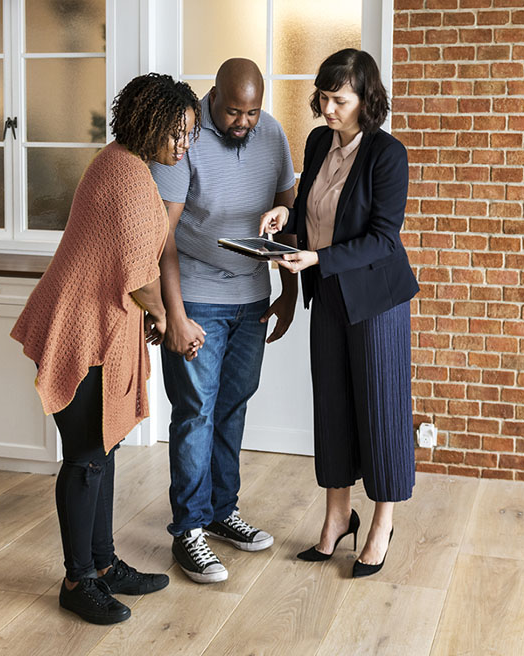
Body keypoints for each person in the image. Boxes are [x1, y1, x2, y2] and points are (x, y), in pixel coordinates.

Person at [11, 73, 200, 624]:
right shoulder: (126, 177)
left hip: (99, 326)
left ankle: (102, 564)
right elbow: (137, 275)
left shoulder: (126, 165)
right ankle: (77, 580)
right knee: (86, 459)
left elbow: (136, 265)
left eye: (189, 134)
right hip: (82, 329)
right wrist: (167, 319)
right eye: (179, 132)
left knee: (102, 447)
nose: (183, 144)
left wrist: (158, 315)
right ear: (151, 123)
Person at [260, 48, 419, 578]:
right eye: (323, 98)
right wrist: (288, 217)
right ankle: (336, 517)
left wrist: (317, 257)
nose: (327, 109)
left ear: (366, 100)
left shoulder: (387, 154)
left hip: (376, 303)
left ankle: (382, 522)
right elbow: (312, 206)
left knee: (380, 410)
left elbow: (382, 239)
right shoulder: (316, 141)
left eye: (340, 99)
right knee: (331, 407)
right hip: (326, 294)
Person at [149, 58, 297, 584]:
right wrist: (174, 315)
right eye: (235, 111)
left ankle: (219, 511)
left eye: (252, 112)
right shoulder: (185, 138)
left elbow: (286, 215)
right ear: (214, 98)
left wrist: (287, 290)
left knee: (232, 406)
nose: (244, 122)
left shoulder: (272, 132)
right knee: (195, 412)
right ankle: (188, 529)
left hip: (252, 298)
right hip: (198, 298)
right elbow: (161, 237)